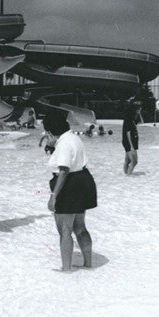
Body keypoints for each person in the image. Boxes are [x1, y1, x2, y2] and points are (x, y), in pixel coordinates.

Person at [44, 109, 97, 271]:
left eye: (46, 133)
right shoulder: (73, 137)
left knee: (65, 230)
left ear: (51, 132)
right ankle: (88, 264)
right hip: (83, 180)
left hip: (70, 184)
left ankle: (66, 269)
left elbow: (63, 171)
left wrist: (53, 196)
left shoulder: (64, 144)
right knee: (80, 226)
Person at [121, 97, 143, 175]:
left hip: (131, 141)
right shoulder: (129, 119)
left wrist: (139, 113)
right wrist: (131, 146)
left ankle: (126, 175)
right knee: (134, 161)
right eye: (139, 109)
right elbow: (128, 133)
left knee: (128, 160)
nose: (140, 110)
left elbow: (142, 122)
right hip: (129, 142)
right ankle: (128, 176)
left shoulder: (133, 119)